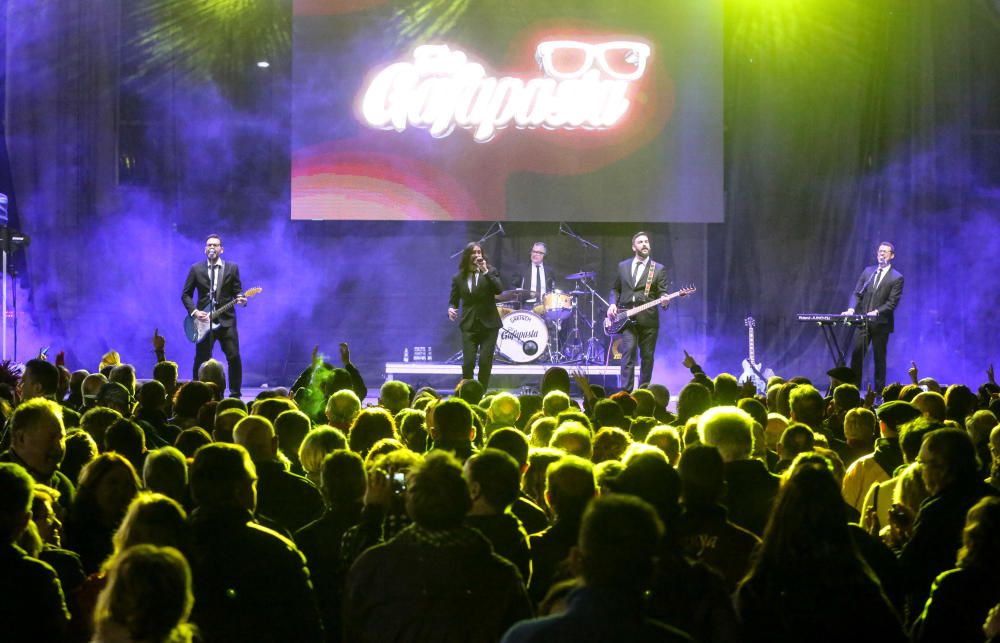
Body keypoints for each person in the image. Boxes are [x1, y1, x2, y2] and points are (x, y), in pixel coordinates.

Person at [181, 233, 247, 399]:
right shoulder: (196, 269)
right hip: (203, 322)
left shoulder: (232, 268)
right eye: (209, 245)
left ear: (221, 249)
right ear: (205, 250)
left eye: (215, 245)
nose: (212, 247)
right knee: (202, 359)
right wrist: (195, 312)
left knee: (234, 356)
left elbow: (237, 291)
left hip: (227, 321)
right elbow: (185, 295)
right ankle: (197, 393)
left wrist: (241, 299)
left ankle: (235, 394)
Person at [607, 231, 670, 391]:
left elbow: (663, 291)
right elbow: (615, 288)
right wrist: (612, 304)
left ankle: (643, 392)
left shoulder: (658, 269)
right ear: (634, 247)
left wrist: (664, 299)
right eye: (640, 242)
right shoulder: (623, 266)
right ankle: (625, 393)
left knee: (647, 357)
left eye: (646, 242)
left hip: (648, 320)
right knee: (627, 354)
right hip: (627, 318)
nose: (644, 244)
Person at [844, 242, 904, 393]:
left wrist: (877, 311)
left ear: (892, 256)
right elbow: (858, 293)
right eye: (880, 251)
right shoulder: (868, 272)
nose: (881, 254)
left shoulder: (897, 277)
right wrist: (851, 309)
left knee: (879, 358)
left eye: (885, 252)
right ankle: (854, 389)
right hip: (864, 322)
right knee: (857, 354)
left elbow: (892, 303)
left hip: (881, 323)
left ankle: (879, 393)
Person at [449, 242, 504, 389]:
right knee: (468, 363)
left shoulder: (490, 271)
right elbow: (453, 300)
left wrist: (485, 271)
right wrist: (451, 309)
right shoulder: (458, 277)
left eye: (479, 252)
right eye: (474, 252)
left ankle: (481, 392)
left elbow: (499, 290)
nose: (477, 255)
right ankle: (468, 392)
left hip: (489, 324)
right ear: (468, 256)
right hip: (469, 324)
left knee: (485, 362)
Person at [512, 241, 558, 312]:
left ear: (544, 255)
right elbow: (513, 287)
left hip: (545, 305)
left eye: (538, 252)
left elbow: (553, 289)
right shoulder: (522, 268)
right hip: (527, 306)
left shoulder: (549, 271)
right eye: (533, 251)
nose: (534, 254)